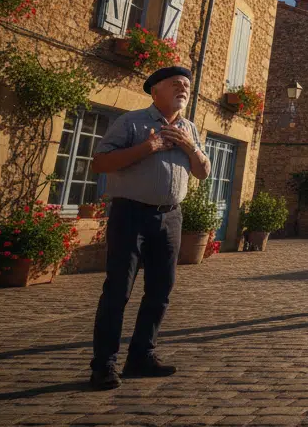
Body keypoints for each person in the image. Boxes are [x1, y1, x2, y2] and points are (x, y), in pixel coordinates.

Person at [87, 66, 211, 390]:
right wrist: (149, 147)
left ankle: (141, 355)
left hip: (171, 217)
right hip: (130, 214)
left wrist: (189, 145)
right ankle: (104, 365)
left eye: (186, 84)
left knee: (160, 291)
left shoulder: (189, 128)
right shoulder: (131, 122)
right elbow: (99, 162)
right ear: (155, 91)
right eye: (175, 84)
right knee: (118, 290)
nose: (183, 88)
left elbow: (203, 172)